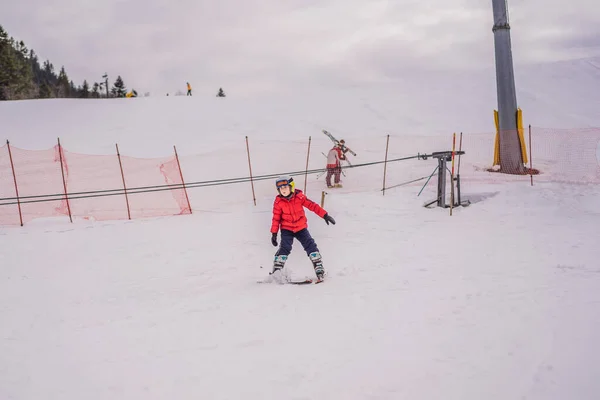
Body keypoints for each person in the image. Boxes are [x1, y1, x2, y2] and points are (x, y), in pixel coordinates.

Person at [270, 176, 336, 282]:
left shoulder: (299, 197)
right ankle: (277, 270)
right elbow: (276, 218)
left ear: (291, 187)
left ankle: (318, 267)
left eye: (285, 187)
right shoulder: (278, 202)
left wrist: (324, 215)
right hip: (287, 229)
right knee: (285, 247)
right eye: (281, 189)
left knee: (310, 245)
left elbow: (312, 206)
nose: (283, 190)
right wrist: (274, 234)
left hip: (301, 228)